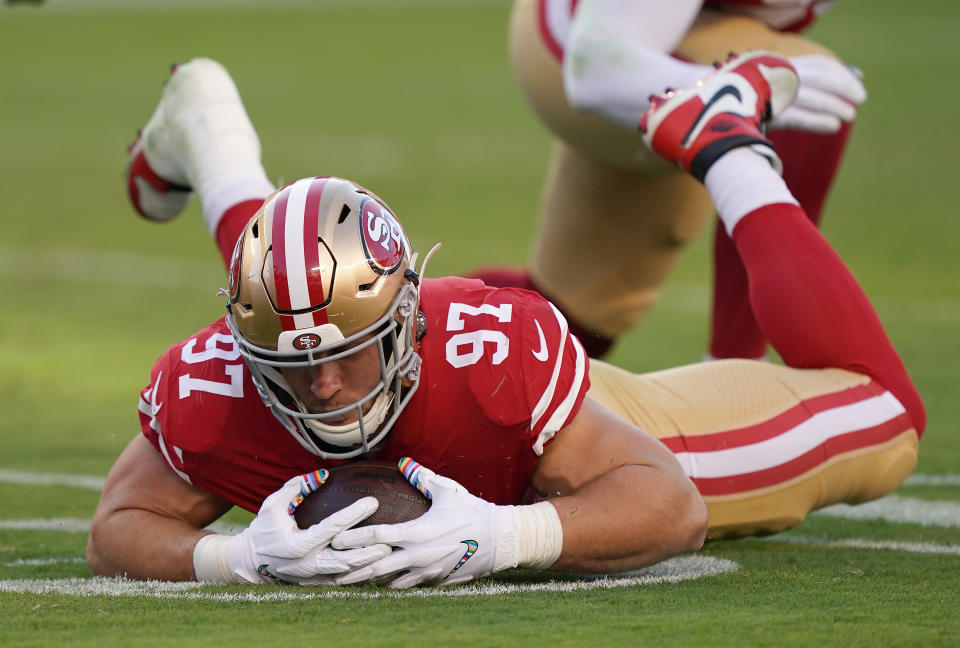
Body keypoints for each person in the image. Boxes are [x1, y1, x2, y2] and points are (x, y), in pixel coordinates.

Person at [88, 56, 922, 589]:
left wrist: (505, 533)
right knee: (303, 293)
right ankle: (210, 125)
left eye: (355, 356)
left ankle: (722, 143)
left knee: (887, 414)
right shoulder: (226, 379)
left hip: (604, 429)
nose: (325, 387)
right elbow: (117, 529)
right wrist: (229, 560)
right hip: (339, 332)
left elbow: (670, 503)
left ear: (408, 327)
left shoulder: (486, 359)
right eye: (290, 370)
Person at [472, 0, 867, 359]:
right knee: (805, 83)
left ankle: (421, 332)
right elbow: (595, 66)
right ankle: (738, 370)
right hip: (585, 52)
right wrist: (736, 91)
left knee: (566, 324)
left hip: (658, 52)